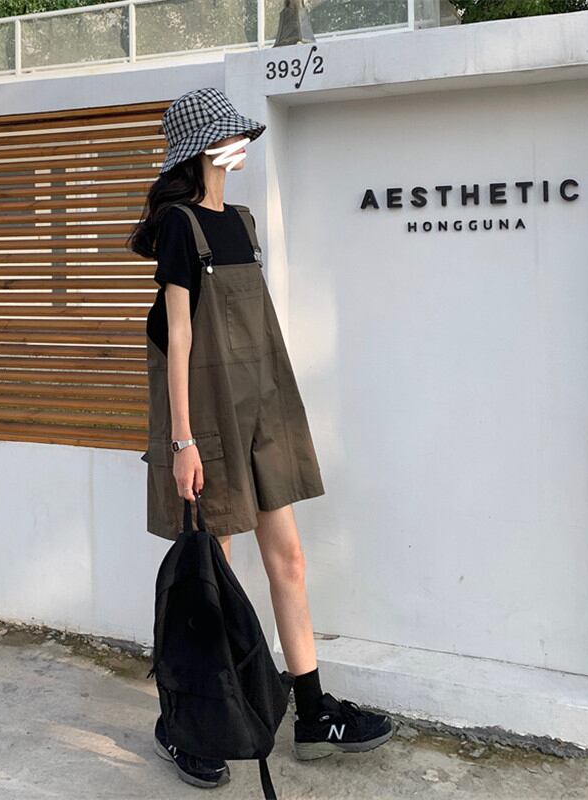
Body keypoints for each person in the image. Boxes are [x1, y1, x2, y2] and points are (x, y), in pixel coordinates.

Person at [129, 87, 394, 790]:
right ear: (202, 149)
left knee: (290, 560)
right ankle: (188, 724)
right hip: (207, 419)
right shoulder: (181, 226)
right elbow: (179, 337)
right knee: (210, 584)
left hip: (262, 411)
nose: (241, 141)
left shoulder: (240, 222)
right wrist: (182, 441)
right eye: (228, 134)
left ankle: (312, 712)